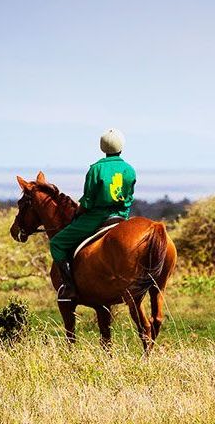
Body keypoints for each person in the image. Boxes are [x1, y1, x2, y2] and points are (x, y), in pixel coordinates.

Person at [49, 128, 136, 301]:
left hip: (98, 217)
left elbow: (88, 201)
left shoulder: (96, 169)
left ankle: (69, 287)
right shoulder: (129, 169)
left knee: (57, 243)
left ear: (102, 147)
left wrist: (78, 213)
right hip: (122, 217)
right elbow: (130, 196)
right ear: (122, 147)